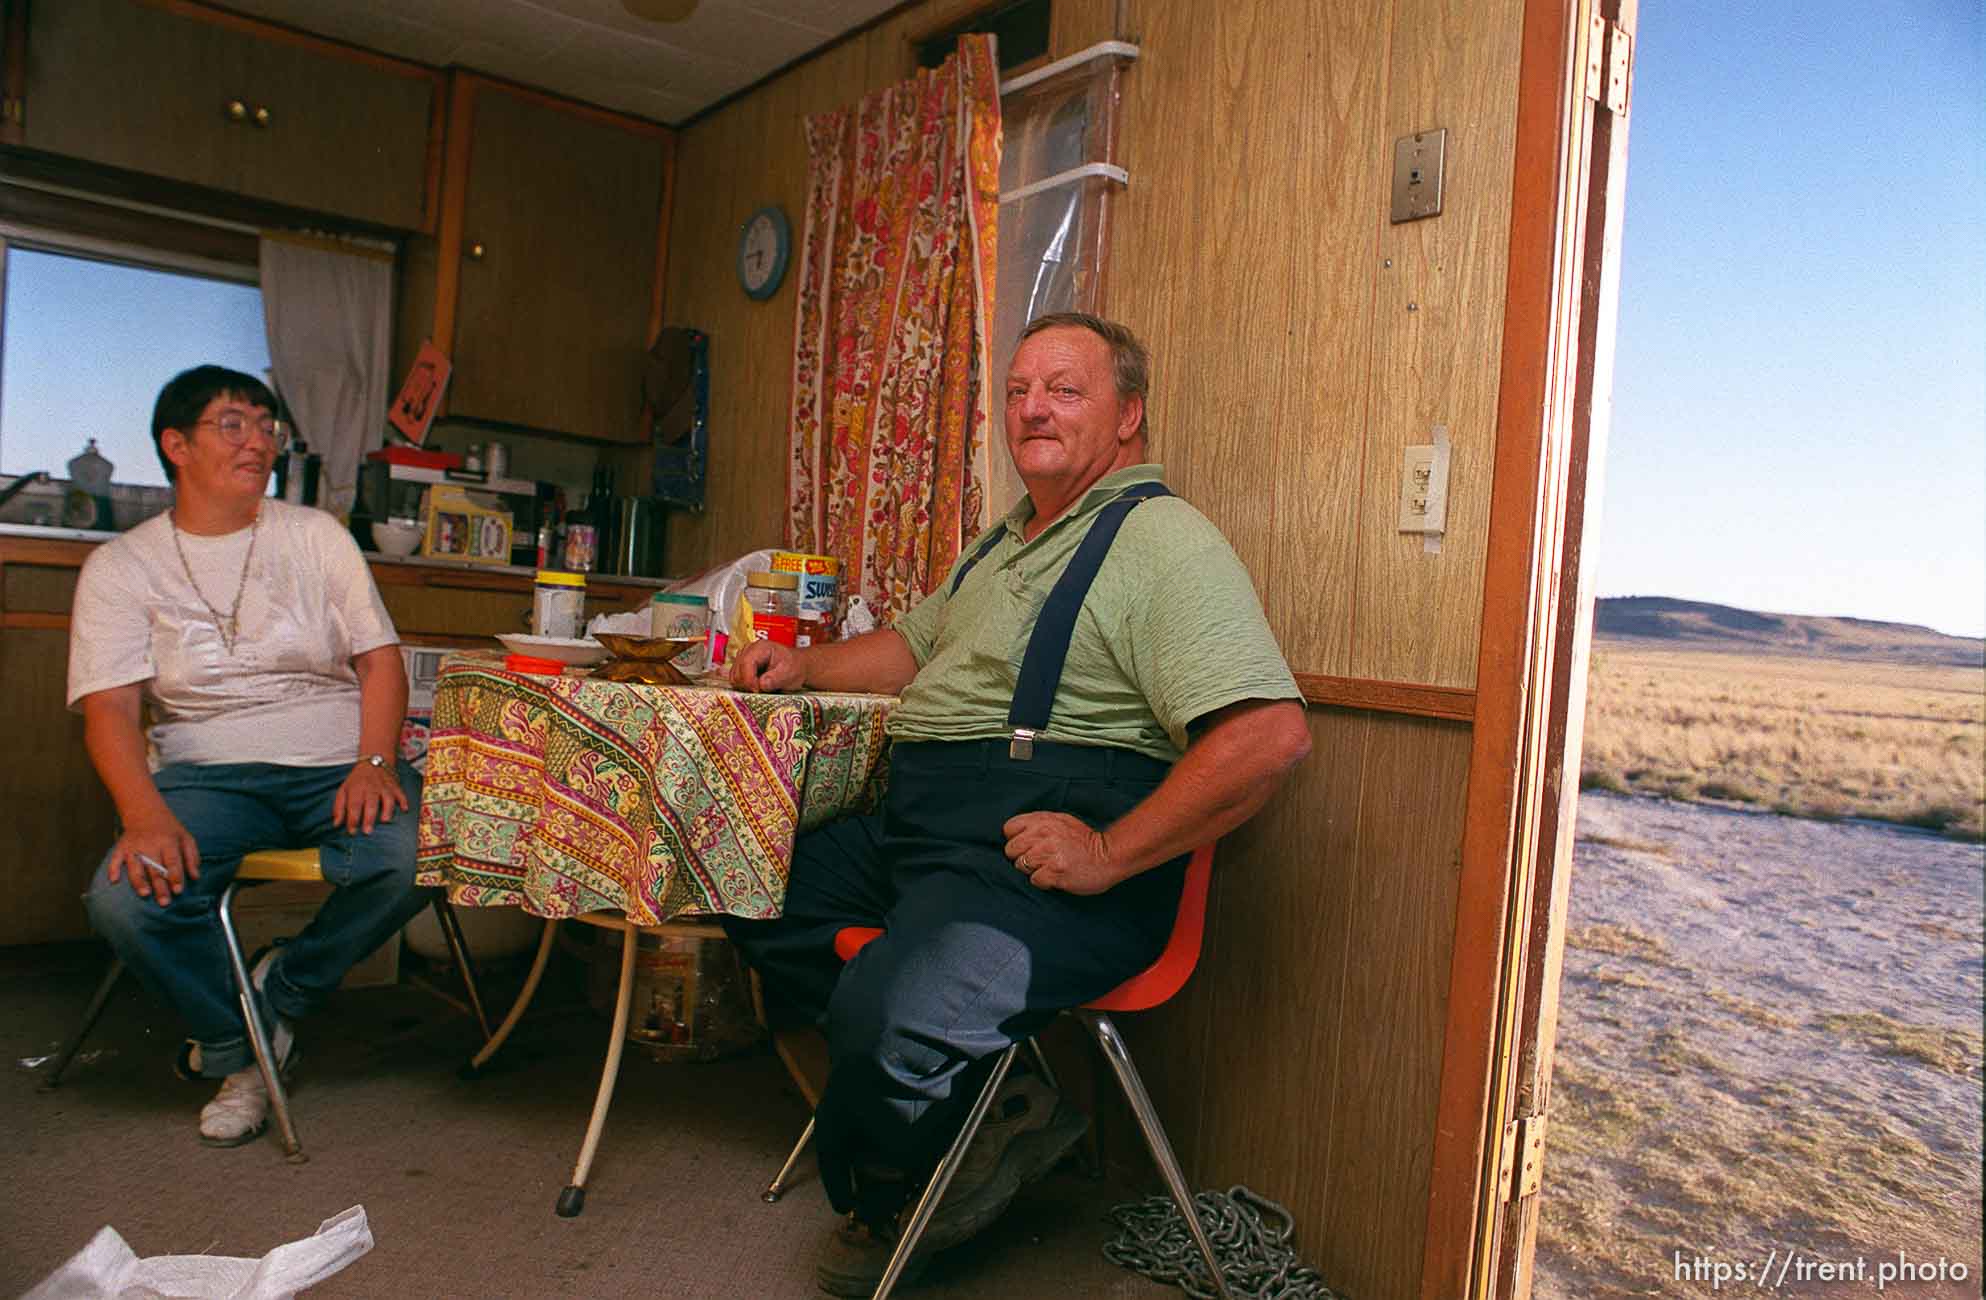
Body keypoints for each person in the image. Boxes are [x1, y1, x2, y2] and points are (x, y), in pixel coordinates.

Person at [725, 312, 1312, 1293]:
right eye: (1019, 389)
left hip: (1042, 852)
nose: (1032, 406)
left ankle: (909, 1179)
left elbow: (1270, 735)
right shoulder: (1004, 541)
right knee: (739, 870)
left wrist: (1111, 851)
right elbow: (915, 645)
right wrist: (805, 663)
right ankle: (1000, 1110)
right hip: (926, 831)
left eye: (1065, 389)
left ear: (1129, 416)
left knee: (890, 1010)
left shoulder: (1162, 538)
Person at [68, 365, 431, 1148]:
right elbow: (111, 712)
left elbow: (378, 660)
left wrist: (374, 762)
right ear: (177, 445)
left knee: (416, 854)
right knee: (123, 901)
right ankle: (241, 1052)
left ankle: (283, 989)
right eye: (233, 424)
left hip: (336, 760)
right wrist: (143, 815)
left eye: (266, 426)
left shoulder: (315, 535)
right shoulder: (122, 567)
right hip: (205, 774)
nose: (259, 441)